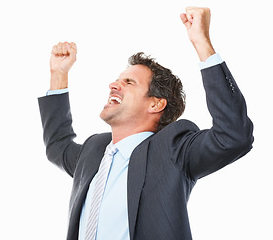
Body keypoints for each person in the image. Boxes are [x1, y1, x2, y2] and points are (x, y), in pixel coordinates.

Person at [38, 7, 254, 240]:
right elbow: (57, 145)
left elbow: (234, 136)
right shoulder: (93, 150)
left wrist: (202, 42)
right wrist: (58, 75)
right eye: (117, 79)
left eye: (129, 82)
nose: (113, 84)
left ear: (155, 104)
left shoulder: (174, 149)